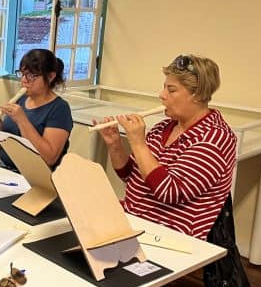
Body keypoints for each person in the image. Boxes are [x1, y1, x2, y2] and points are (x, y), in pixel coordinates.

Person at [95, 54, 237, 240]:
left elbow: (169, 192)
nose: (162, 95)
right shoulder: (163, 127)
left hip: (169, 237)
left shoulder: (215, 139)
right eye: (164, 88)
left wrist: (138, 143)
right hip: (133, 221)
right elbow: (130, 176)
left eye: (171, 90)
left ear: (197, 95)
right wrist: (115, 145)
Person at [0, 49, 73, 170]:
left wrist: (22, 120)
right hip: (5, 168)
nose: (24, 80)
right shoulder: (21, 99)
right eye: (22, 74)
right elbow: (0, 146)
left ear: (50, 76)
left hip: (34, 175)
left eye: (31, 75)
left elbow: (49, 157)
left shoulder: (59, 109)